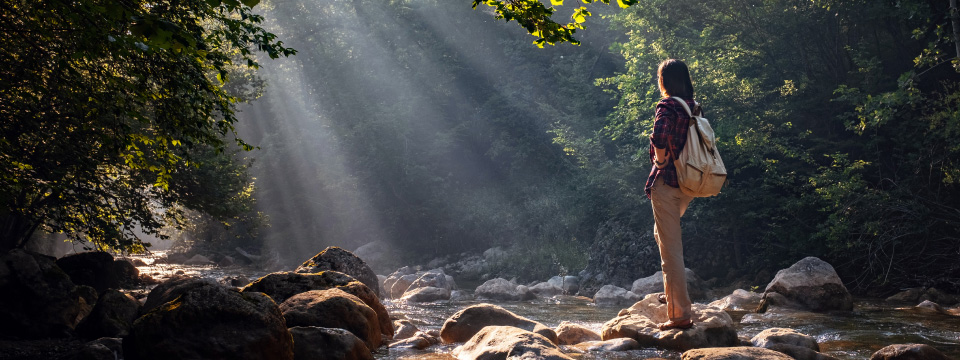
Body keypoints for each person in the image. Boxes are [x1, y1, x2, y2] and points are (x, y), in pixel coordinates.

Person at [645, 59, 699, 330]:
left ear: (664, 80)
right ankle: (671, 294)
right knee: (662, 235)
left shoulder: (667, 105)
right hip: (687, 184)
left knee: (671, 252)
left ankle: (679, 316)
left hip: (666, 182)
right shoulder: (693, 107)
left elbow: (659, 134)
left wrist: (662, 160)